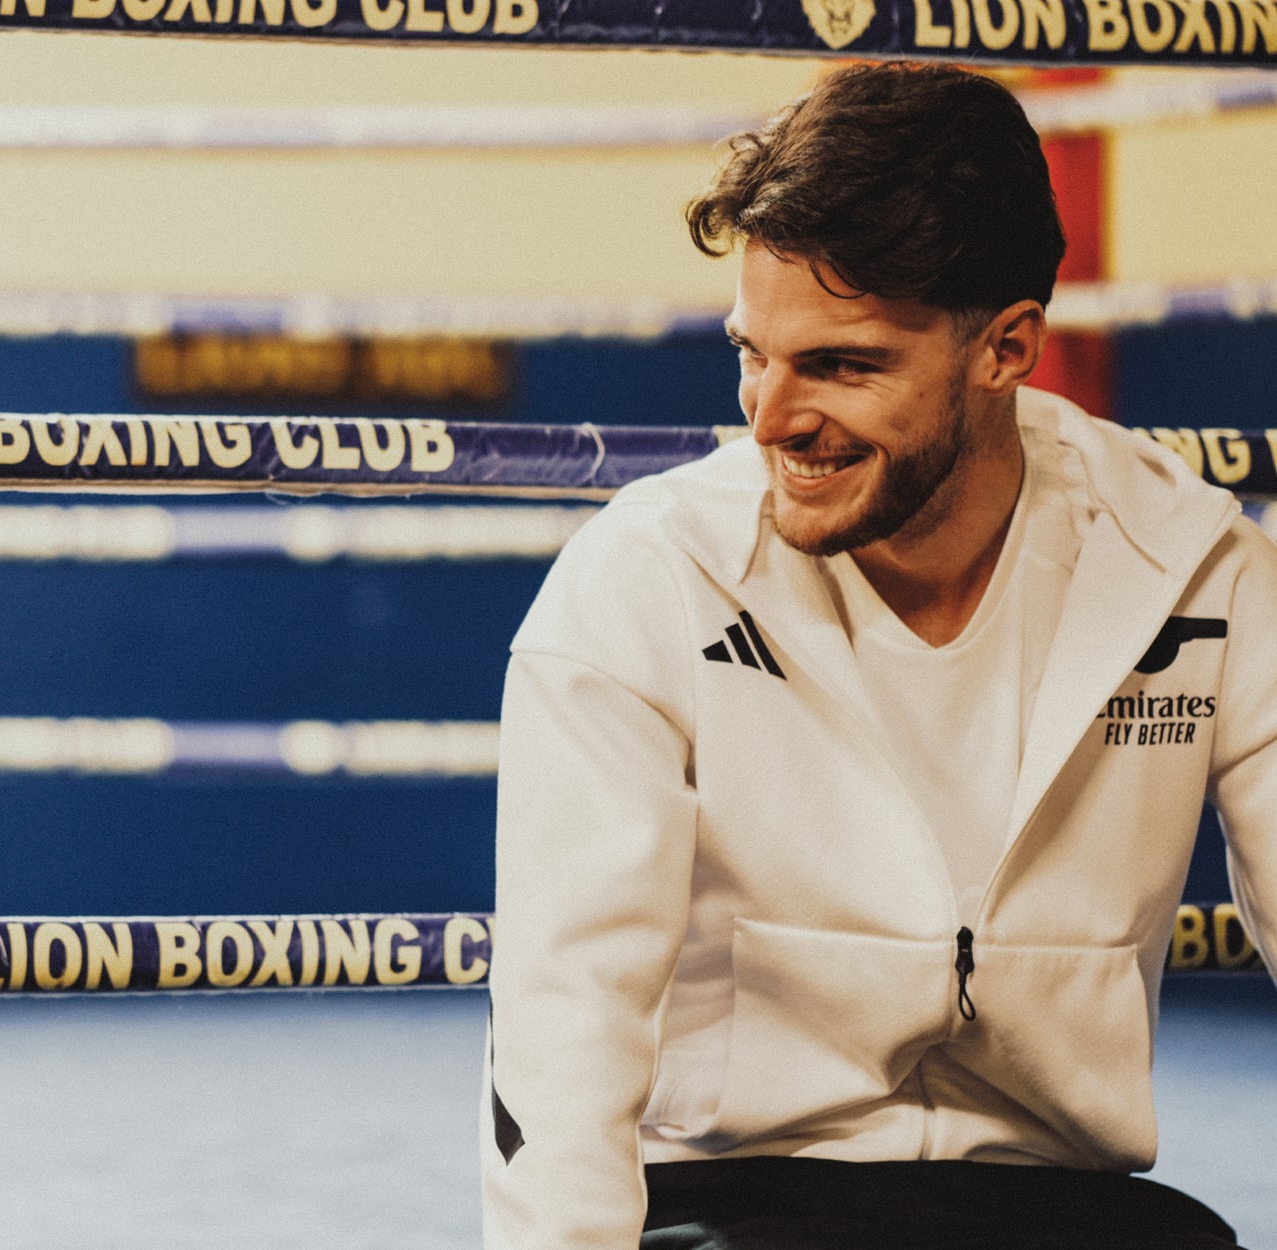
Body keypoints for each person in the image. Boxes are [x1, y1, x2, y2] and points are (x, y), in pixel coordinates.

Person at [483, 62, 1273, 1250]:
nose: (770, 418)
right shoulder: (646, 578)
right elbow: (563, 1021)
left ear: (1006, 347)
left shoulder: (1191, 569)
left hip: (1062, 1203)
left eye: (841, 365)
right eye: (754, 352)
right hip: (738, 1197)